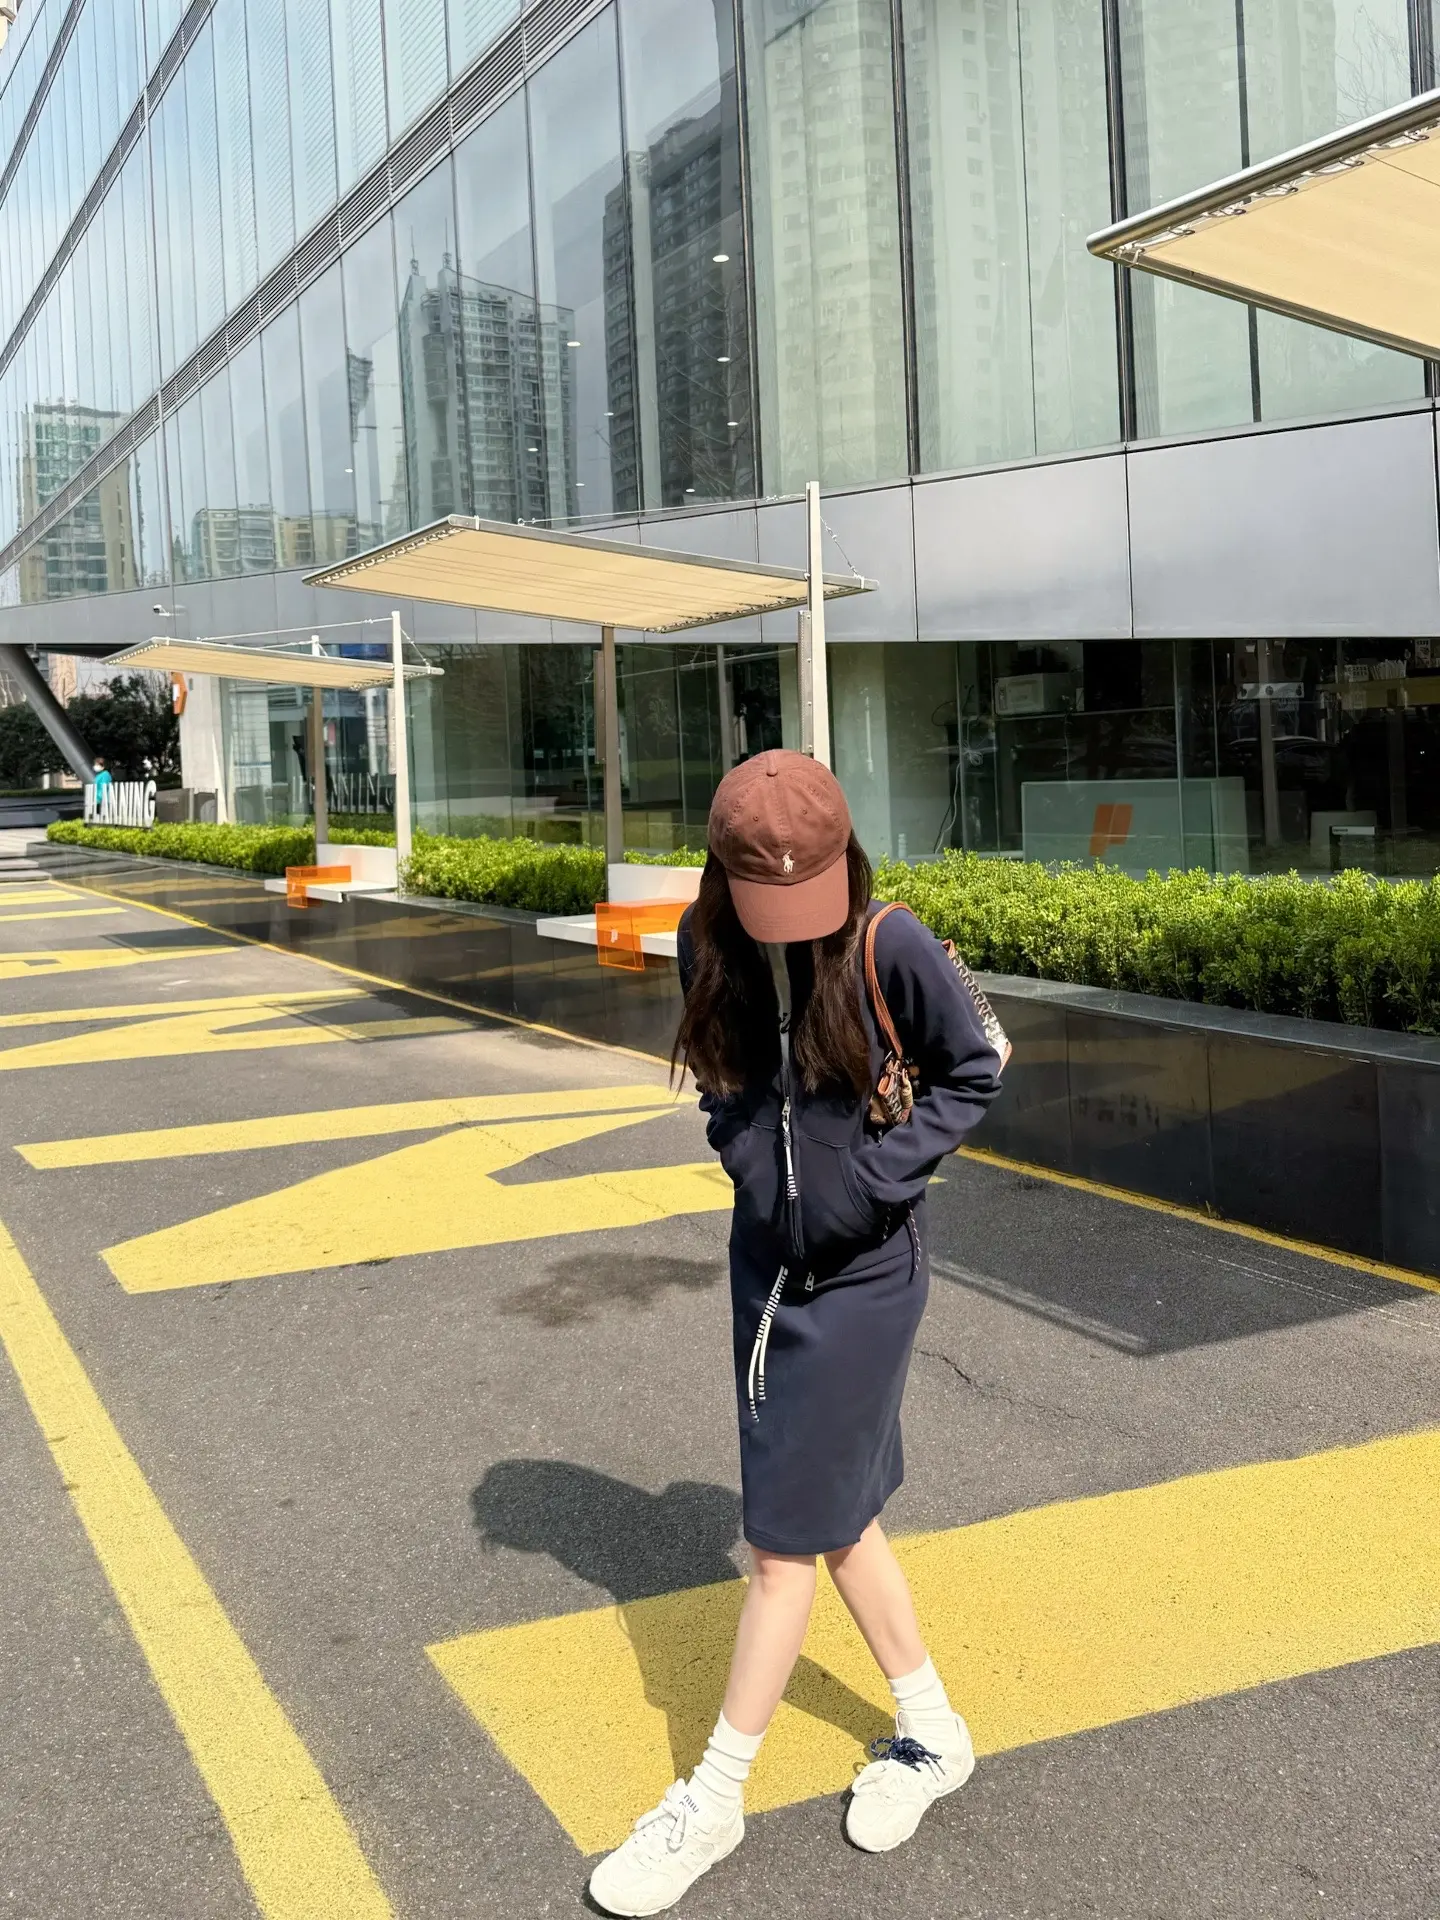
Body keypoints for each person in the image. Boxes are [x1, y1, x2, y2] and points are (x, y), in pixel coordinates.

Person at [590, 750, 1002, 1917]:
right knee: (838, 1516)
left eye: (808, 887)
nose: (793, 918)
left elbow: (977, 1065)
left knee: (780, 1546)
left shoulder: (888, 942)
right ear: (723, 876)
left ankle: (713, 1801)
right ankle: (933, 1731)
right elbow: (725, 1085)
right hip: (764, 1267)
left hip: (867, 1276)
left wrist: (872, 1181)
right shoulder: (705, 940)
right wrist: (742, 1158)